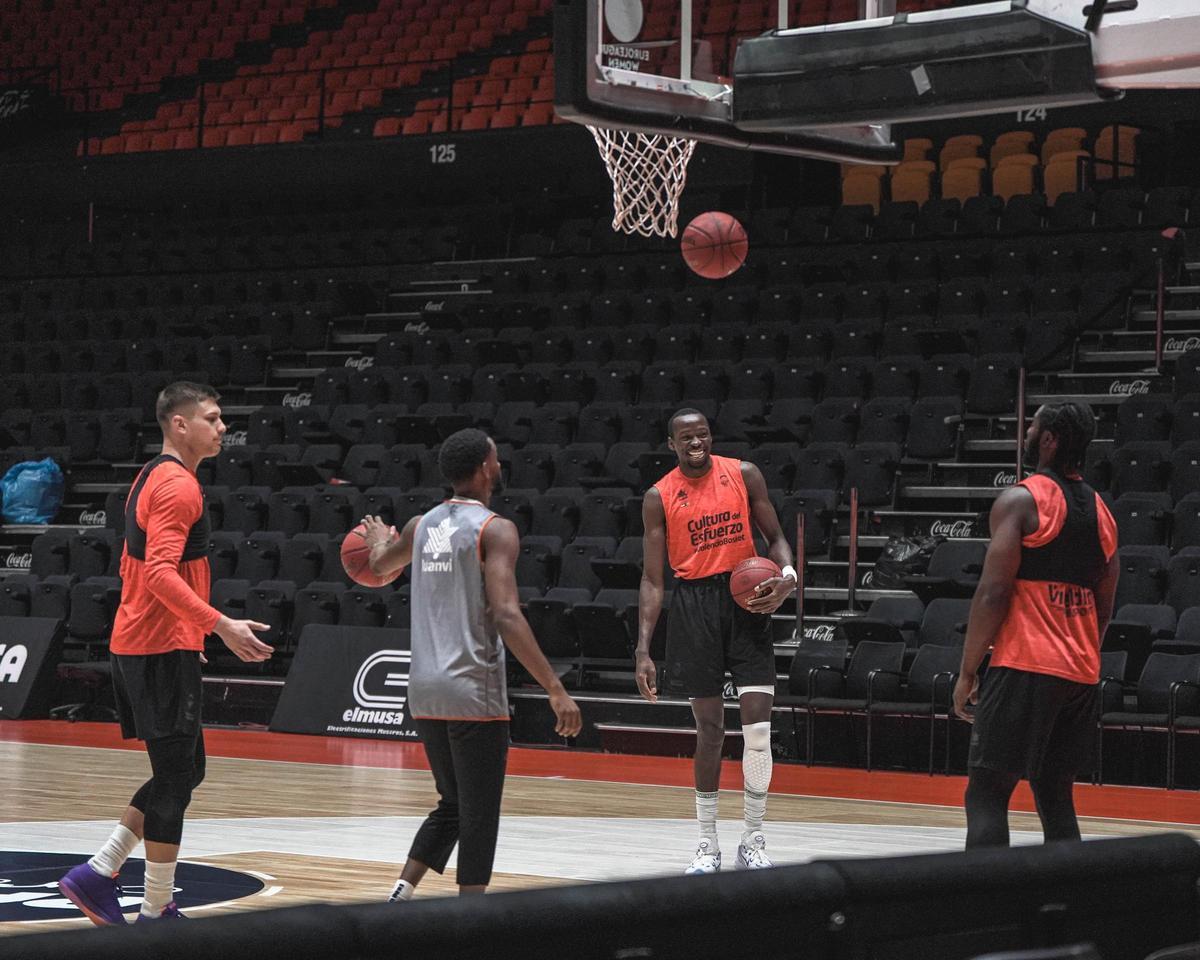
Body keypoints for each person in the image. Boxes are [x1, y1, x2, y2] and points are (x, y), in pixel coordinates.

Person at [59, 382, 273, 924]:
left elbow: (142, 571)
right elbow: (157, 573)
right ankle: (156, 910)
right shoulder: (178, 487)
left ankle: (98, 871)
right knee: (177, 778)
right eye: (214, 418)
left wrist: (190, 631)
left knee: (185, 769)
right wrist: (219, 625)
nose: (223, 427)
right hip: (155, 646)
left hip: (152, 641)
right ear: (180, 425)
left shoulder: (150, 477)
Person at [360, 427, 582, 898]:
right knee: (479, 813)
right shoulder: (495, 528)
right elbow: (506, 613)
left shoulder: (421, 526)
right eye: (496, 459)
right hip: (471, 690)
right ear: (485, 468)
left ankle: (401, 891)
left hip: (423, 690)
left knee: (453, 803)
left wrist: (380, 539)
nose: (499, 466)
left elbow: (379, 567)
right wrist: (555, 689)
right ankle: (471, 919)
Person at [635, 408, 796, 874]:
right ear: (672, 444)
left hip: (746, 602)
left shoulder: (743, 474)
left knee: (759, 732)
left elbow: (776, 538)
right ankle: (708, 844)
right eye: (686, 437)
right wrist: (644, 648)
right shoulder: (658, 496)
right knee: (709, 732)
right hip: (693, 606)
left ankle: (754, 838)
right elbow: (651, 579)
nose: (696, 442)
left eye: (702, 434)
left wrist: (786, 577)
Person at [954, 401, 1119, 848]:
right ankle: (1066, 902)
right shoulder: (1103, 514)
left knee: (987, 793)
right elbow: (1105, 606)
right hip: (1081, 673)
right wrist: (1081, 652)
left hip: (1025, 665)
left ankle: (990, 904)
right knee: (1055, 795)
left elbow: (993, 593)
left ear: (1048, 439)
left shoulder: (1022, 500)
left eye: (1032, 425)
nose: (1025, 431)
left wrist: (969, 671)